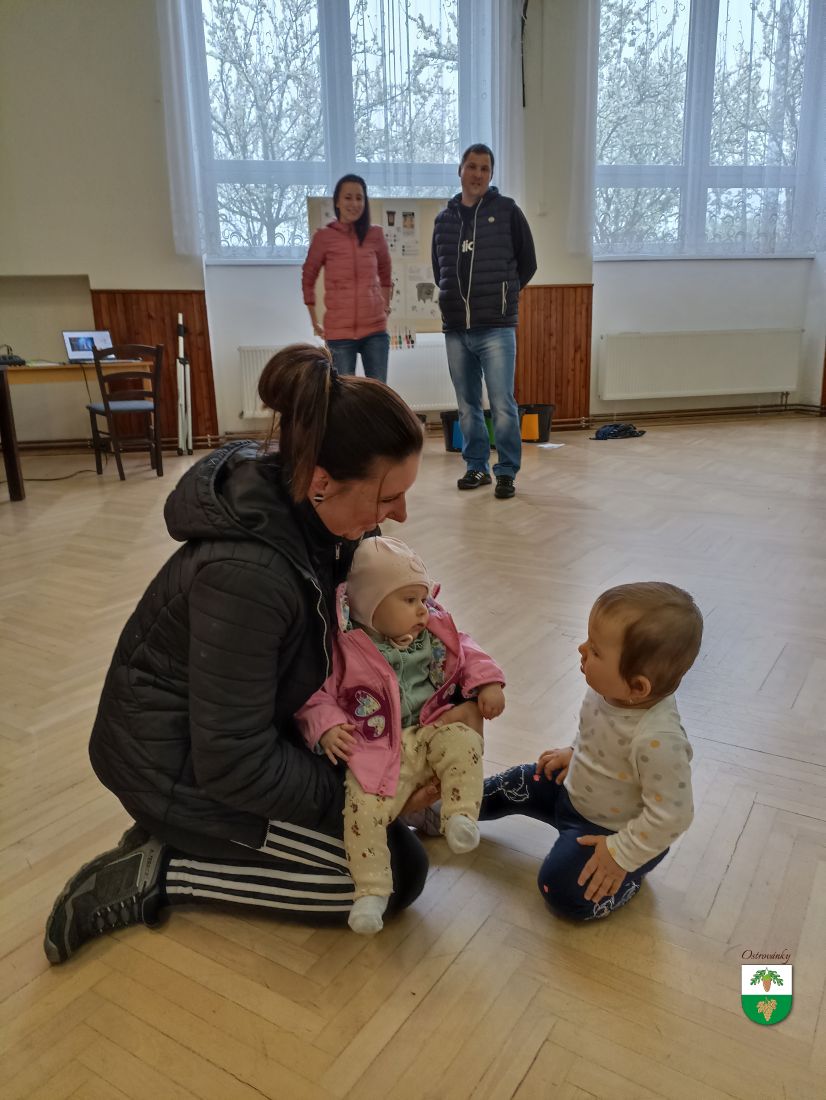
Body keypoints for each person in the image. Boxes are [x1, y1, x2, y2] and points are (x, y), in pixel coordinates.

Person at [44, 344, 482, 965]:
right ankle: (160, 869)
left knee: (386, 835)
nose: (401, 515)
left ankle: (195, 843)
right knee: (395, 876)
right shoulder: (247, 577)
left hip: (248, 732)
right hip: (178, 769)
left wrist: (447, 700)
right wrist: (367, 787)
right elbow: (232, 760)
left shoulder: (326, 522)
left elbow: (376, 639)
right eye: (389, 498)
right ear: (322, 482)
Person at [412, 582, 703, 921]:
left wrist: (621, 853)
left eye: (596, 651)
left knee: (560, 890)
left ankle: (629, 876)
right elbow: (600, 735)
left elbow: (673, 815)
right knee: (514, 782)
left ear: (637, 686)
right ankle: (445, 810)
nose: (582, 649)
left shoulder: (659, 739)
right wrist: (575, 752)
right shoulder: (609, 691)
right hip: (571, 791)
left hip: (608, 832)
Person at [296, 536, 505, 935]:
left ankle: (461, 815)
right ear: (368, 606)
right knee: (361, 812)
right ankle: (371, 891)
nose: (423, 610)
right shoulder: (344, 648)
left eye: (423, 599)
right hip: (377, 754)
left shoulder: (434, 633)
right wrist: (326, 726)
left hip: (430, 729)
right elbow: (316, 695)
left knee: (464, 741)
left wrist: (488, 682)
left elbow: (468, 651)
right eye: (409, 600)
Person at [431, 143, 537, 500]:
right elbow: (440, 271)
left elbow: (528, 263)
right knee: (467, 406)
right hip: (456, 329)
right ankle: (476, 466)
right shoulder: (443, 221)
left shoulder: (507, 212)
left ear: (491, 175)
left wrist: (505, 295)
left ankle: (506, 471)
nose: (477, 174)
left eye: (484, 169)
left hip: (496, 327)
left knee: (502, 404)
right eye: (472, 166)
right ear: (460, 170)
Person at [302, 174, 393, 382]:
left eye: (359, 198)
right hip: (339, 334)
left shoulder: (375, 235)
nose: (354, 203)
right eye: (348, 197)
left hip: (375, 331)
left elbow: (386, 274)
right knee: (342, 393)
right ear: (337, 202)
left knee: (378, 393)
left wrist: (385, 306)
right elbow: (308, 277)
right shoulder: (324, 237)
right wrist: (314, 321)